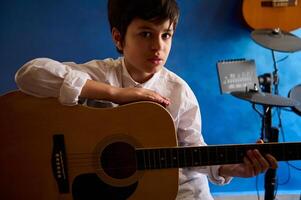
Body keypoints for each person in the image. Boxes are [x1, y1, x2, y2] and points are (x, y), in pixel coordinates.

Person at [15, 0, 278, 199]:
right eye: (145, 34)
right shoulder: (101, 74)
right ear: (119, 38)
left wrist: (232, 169)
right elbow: (29, 74)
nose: (158, 46)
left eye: (166, 35)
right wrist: (115, 94)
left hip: (177, 190)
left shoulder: (178, 91)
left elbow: (192, 150)